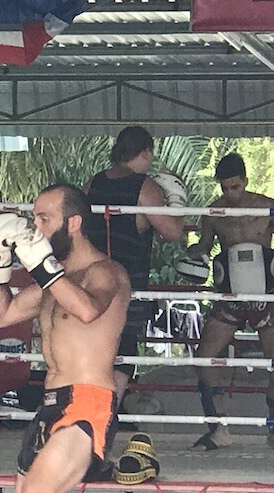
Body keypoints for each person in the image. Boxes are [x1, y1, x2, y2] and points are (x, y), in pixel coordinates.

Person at [0, 184, 131, 493]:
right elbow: (2, 313)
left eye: (45, 219)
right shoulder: (50, 282)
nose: (35, 227)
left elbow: (86, 310)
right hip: (49, 405)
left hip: (88, 402)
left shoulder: (106, 272)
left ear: (74, 223)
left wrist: (42, 265)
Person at [186, 152, 274, 451]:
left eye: (235, 187)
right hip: (230, 295)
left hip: (265, 296)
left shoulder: (266, 208)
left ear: (245, 182)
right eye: (225, 188)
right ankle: (218, 429)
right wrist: (192, 255)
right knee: (204, 357)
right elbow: (203, 246)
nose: (230, 194)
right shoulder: (214, 212)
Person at [83, 126, 185, 429]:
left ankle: (88, 421)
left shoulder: (93, 183)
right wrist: (177, 201)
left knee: (93, 350)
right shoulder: (145, 186)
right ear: (145, 153)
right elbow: (173, 232)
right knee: (124, 348)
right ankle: (101, 424)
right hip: (126, 283)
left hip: (90, 281)